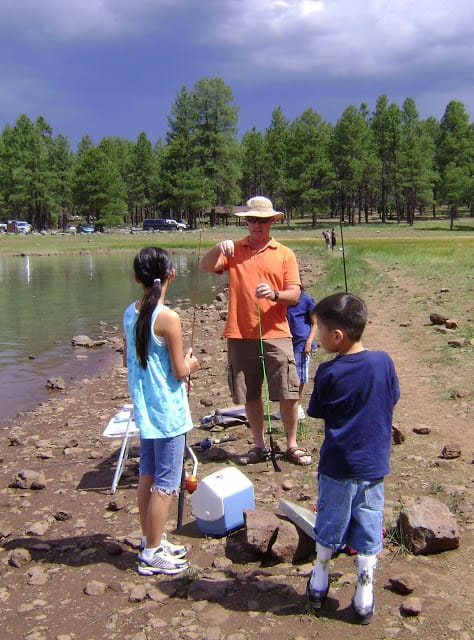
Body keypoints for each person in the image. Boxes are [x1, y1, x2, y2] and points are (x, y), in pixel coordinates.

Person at [306, 292, 400, 623]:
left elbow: (316, 411)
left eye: (319, 330)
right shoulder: (384, 361)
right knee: (369, 521)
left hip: (337, 466)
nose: (316, 337)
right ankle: (364, 594)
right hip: (373, 464)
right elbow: (393, 397)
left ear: (337, 336)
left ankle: (320, 578)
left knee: (330, 519)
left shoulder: (328, 373)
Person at [201, 195, 312, 466]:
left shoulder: (285, 254)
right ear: (246, 222)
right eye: (251, 220)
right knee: (250, 394)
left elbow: (295, 294)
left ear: (272, 221)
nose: (256, 225)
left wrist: (274, 294)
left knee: (288, 390)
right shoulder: (233, 250)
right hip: (240, 334)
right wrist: (217, 248)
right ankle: (259, 445)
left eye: (262, 220)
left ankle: (291, 444)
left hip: (277, 332)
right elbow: (205, 266)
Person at [123, 247, 199, 575]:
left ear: (137, 278)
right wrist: (193, 362)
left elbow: (131, 357)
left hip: (146, 410)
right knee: (166, 483)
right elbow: (181, 370)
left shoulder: (130, 312)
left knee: (148, 476)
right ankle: (152, 552)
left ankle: (150, 538)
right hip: (168, 413)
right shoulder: (168, 317)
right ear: (171, 274)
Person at [286, 288, 318, 420]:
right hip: (287, 343)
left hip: (302, 344)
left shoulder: (307, 300)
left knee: (300, 378)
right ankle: (289, 408)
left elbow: (315, 322)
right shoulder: (284, 300)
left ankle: (298, 407)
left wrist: (309, 342)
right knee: (288, 377)